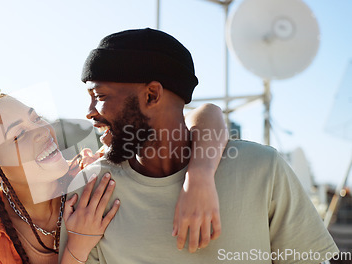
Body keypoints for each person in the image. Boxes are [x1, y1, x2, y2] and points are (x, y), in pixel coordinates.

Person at [59, 28, 339, 263]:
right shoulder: (92, 192)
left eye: (99, 95)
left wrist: (199, 177)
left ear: (152, 94)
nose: (90, 111)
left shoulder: (261, 169)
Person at [0, 89, 228, 263]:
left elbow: (207, 114)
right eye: (18, 134)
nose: (42, 131)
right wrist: (77, 248)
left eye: (36, 118)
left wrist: (199, 178)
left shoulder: (89, 173)